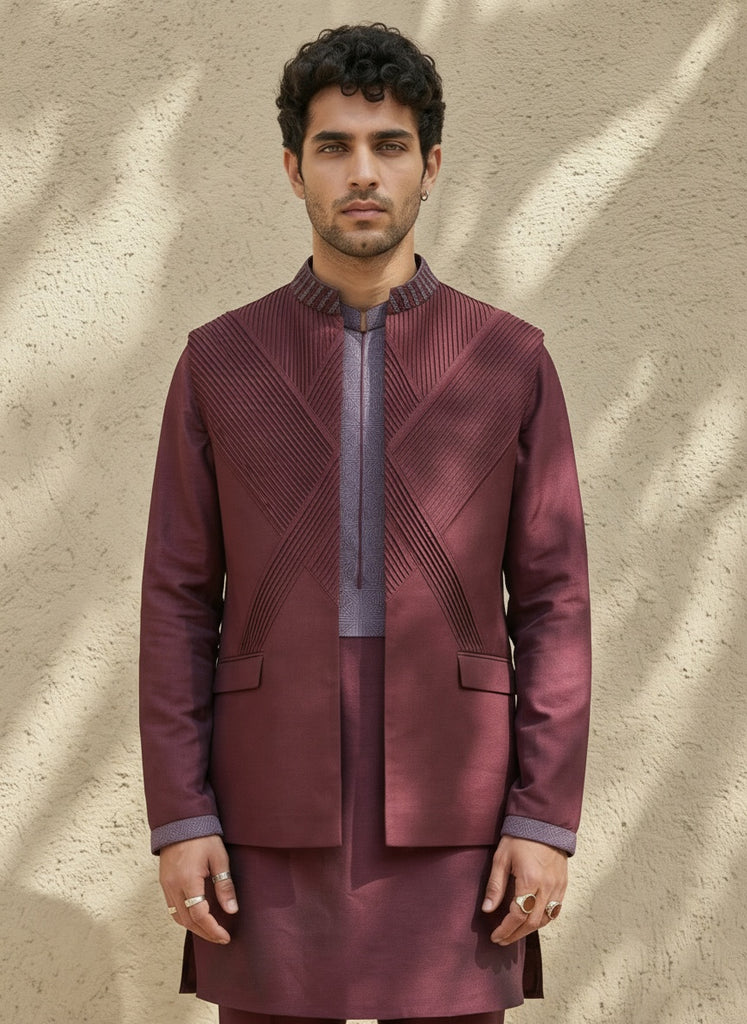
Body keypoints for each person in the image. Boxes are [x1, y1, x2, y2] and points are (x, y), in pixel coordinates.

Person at [139, 23, 591, 1024]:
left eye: (389, 145)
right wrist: (181, 814)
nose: (362, 173)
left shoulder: (509, 360)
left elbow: (555, 602)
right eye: (334, 146)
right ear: (292, 168)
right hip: (265, 794)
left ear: (430, 165)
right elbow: (176, 600)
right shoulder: (219, 360)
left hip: (458, 797)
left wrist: (542, 817)